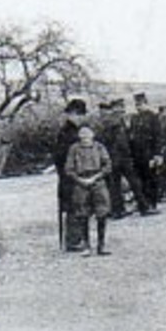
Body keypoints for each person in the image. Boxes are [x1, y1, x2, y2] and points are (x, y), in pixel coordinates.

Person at [64, 124, 113, 255]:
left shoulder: (99, 147)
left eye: (88, 134)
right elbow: (68, 169)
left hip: (98, 180)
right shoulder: (74, 149)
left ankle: (101, 245)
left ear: (93, 135)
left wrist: (96, 177)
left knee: (102, 213)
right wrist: (80, 180)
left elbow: (108, 165)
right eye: (82, 134)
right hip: (80, 182)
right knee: (82, 214)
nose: (85, 137)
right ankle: (86, 245)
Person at [96, 98, 149, 218]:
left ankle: (119, 210)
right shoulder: (114, 121)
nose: (122, 109)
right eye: (119, 107)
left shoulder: (116, 120)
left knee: (119, 184)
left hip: (119, 156)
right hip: (118, 157)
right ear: (113, 108)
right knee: (127, 183)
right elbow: (115, 140)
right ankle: (141, 207)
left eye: (122, 107)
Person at [54, 98, 87, 250]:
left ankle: (75, 238)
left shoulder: (70, 131)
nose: (81, 118)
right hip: (70, 175)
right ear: (71, 114)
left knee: (76, 204)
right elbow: (62, 156)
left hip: (69, 174)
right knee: (74, 205)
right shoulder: (69, 133)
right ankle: (73, 241)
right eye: (79, 115)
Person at [128, 91, 163, 214]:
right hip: (137, 154)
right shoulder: (134, 118)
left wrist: (157, 154)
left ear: (146, 103)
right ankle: (143, 203)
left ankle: (152, 203)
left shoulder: (153, 117)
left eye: (141, 104)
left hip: (149, 152)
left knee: (151, 178)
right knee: (140, 179)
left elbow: (158, 137)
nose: (139, 106)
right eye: (137, 104)